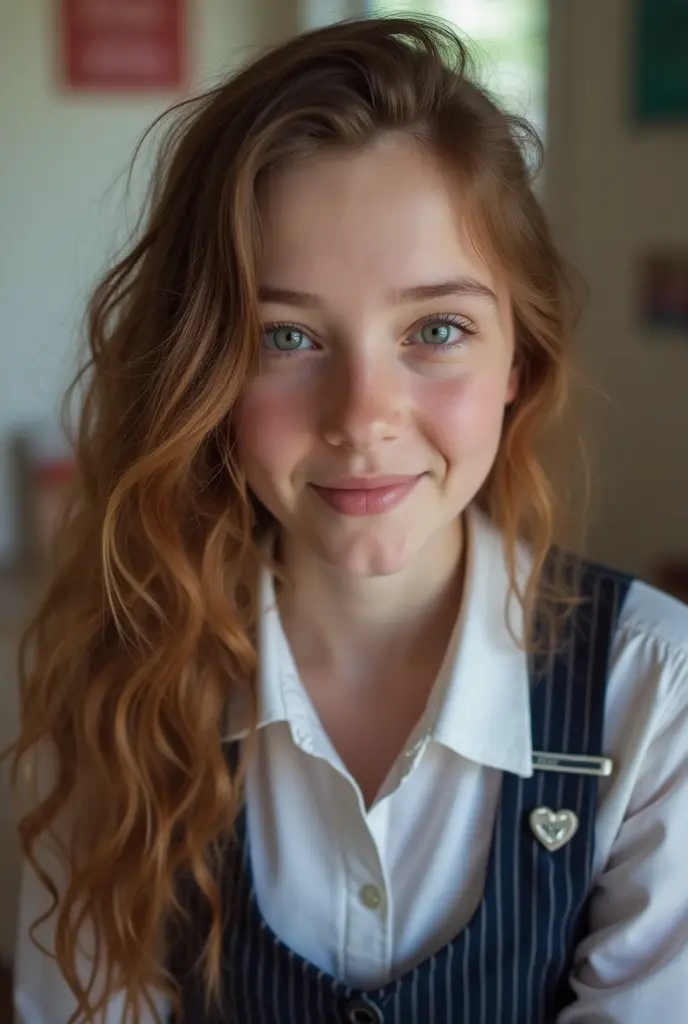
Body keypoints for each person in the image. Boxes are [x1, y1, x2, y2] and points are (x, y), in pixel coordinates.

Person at [10, 15, 688, 1024]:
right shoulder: (114, 693)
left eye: (437, 329)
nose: (363, 418)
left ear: (519, 362)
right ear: (203, 372)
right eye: (285, 335)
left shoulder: (655, 693)